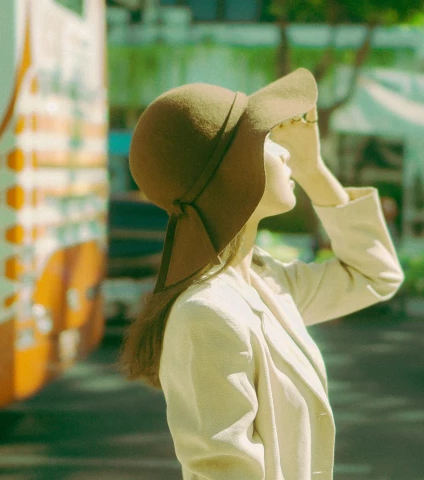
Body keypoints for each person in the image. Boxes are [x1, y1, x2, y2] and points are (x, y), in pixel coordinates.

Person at [120, 68, 404, 480]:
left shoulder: (263, 281)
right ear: (233, 171)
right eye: (267, 140)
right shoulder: (207, 314)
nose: (286, 151)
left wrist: (313, 169)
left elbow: (375, 274)